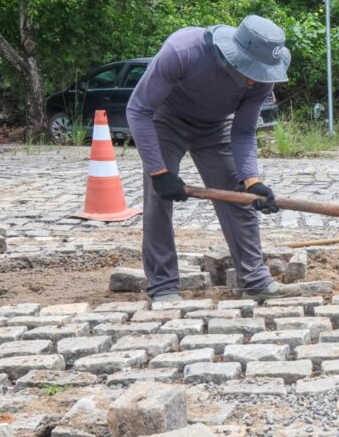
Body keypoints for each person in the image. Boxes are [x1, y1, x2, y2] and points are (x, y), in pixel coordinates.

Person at [126, 15, 300, 302]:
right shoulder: (183, 51)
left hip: (215, 127)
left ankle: (255, 280)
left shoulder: (264, 76)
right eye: (251, 71)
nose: (255, 80)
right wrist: (159, 172)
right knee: (158, 199)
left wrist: (252, 181)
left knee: (238, 195)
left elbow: (243, 130)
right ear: (232, 57)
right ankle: (163, 286)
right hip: (166, 120)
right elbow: (138, 109)